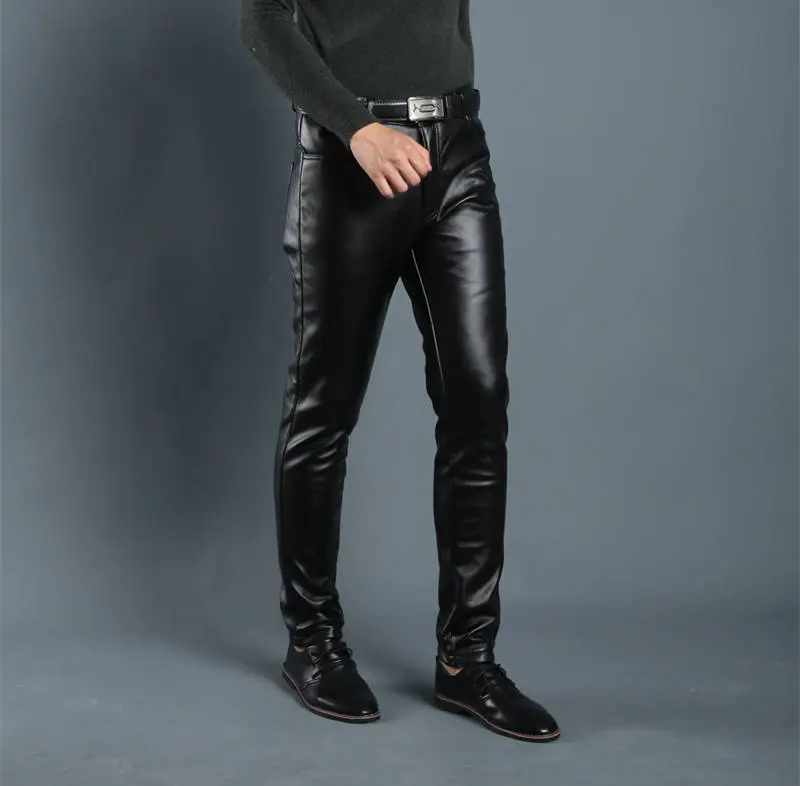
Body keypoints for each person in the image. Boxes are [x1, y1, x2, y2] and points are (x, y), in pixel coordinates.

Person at [239, 0, 561, 742]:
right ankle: (312, 641)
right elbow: (260, 19)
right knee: (324, 407)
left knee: (478, 401)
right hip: (353, 153)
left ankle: (467, 659)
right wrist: (355, 127)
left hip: (457, 150)